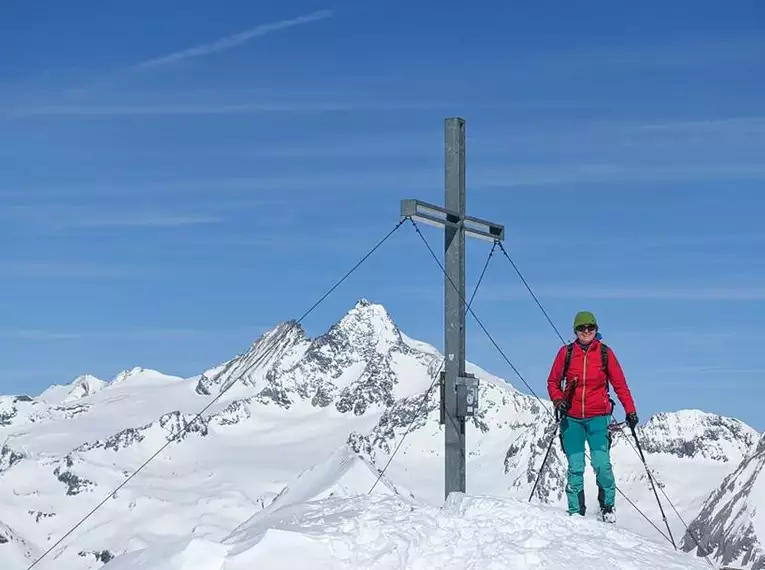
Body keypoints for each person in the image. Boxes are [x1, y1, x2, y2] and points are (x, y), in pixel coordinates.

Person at [546, 310, 638, 522]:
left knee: (602, 464)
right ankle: (576, 513)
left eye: (590, 327)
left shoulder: (605, 353)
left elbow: (620, 385)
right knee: (575, 467)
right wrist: (558, 400)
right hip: (572, 418)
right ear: (575, 331)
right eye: (582, 328)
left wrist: (630, 410)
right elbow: (552, 382)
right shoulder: (566, 353)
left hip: (598, 417)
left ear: (596, 330)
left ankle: (607, 508)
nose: (586, 331)